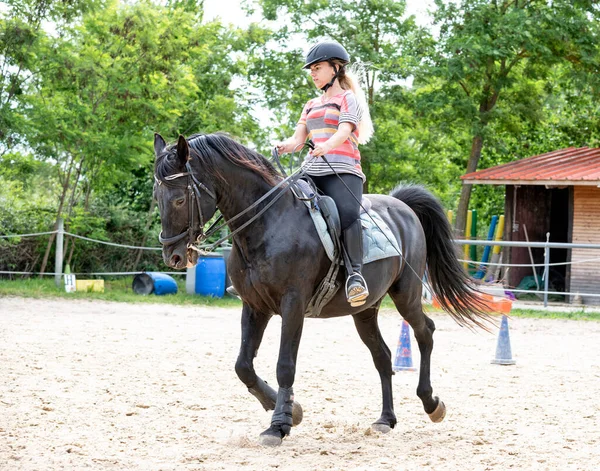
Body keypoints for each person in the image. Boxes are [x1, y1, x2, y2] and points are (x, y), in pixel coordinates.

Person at [276, 40, 374, 307]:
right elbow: (298, 139)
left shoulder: (348, 99)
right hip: (311, 169)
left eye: (317, 68)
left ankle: (355, 276)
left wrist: (326, 146)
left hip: (343, 170)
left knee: (348, 214)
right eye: (311, 69)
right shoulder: (310, 104)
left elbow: (344, 132)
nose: (313, 73)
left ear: (335, 68)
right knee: (283, 205)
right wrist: (284, 146)